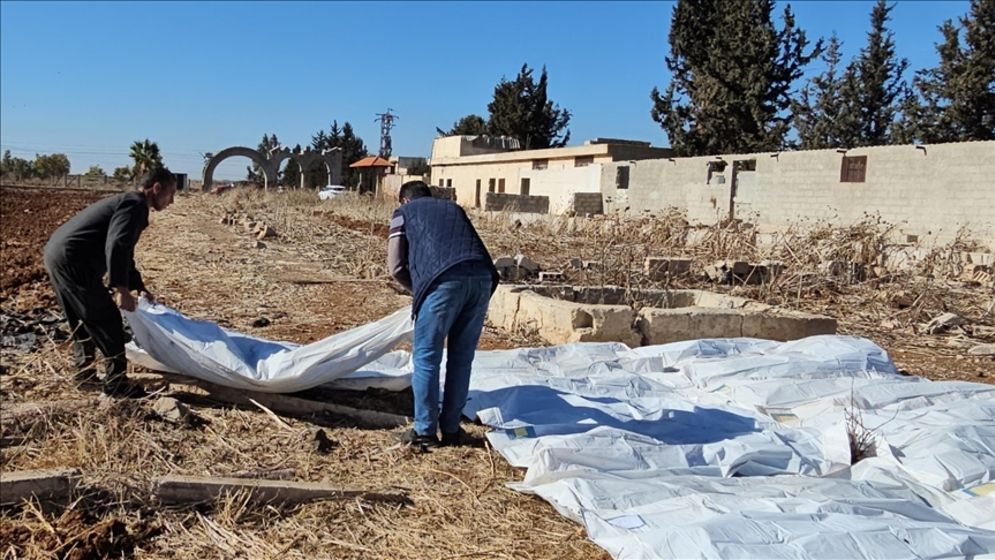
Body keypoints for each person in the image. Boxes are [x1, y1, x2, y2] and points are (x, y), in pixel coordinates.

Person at [43, 166, 177, 398]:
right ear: (156, 188)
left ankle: (83, 376)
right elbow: (116, 245)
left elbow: (125, 252)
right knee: (109, 321)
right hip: (74, 261)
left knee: (82, 318)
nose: (172, 201)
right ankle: (116, 384)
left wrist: (138, 286)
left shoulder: (128, 202)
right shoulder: (135, 205)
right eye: (171, 194)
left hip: (58, 255)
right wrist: (120, 288)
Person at [388, 181, 499, 448]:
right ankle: (451, 430)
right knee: (461, 359)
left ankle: (425, 433)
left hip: (443, 280)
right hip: (482, 278)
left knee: (427, 357)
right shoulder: (454, 209)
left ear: (404, 200)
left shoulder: (403, 213)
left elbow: (395, 266)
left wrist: (420, 289)